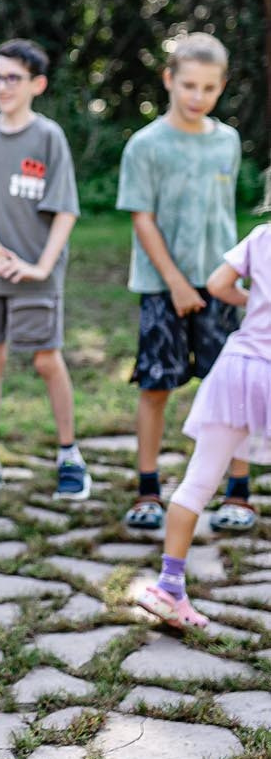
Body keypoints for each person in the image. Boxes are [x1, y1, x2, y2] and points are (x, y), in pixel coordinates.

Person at [116, 32, 249, 533]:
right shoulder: (146, 145)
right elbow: (143, 219)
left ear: (222, 87)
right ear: (169, 79)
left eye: (209, 88)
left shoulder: (228, 141)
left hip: (219, 289)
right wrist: (174, 282)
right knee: (156, 386)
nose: (198, 96)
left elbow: (222, 217)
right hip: (162, 287)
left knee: (230, 387)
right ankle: (149, 488)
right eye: (189, 85)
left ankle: (238, 491)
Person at [0, 38, 88, 501]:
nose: (2, 87)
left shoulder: (48, 137)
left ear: (37, 84)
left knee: (46, 359)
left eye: (13, 78)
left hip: (35, 272)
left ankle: (70, 456)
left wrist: (40, 267)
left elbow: (66, 209)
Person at [140, 220, 271, 627]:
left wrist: (255, 299)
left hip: (237, 367)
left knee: (197, 481)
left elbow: (217, 284)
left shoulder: (263, 235)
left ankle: (169, 585)